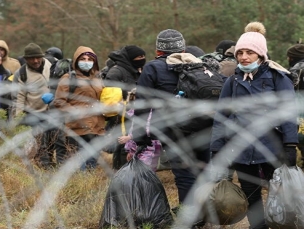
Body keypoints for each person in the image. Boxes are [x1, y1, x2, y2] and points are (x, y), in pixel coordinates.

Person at [210, 23, 298, 229]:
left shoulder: (279, 78)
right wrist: (216, 147)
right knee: (251, 195)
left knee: (281, 192)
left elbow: (288, 113)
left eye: (249, 52)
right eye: (240, 52)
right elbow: (221, 116)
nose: (243, 57)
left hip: (272, 147)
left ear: (260, 54)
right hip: (241, 150)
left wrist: (290, 144)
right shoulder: (232, 82)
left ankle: (284, 224)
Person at [132, 29, 210, 227]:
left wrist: (140, 136)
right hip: (205, 129)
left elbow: (142, 105)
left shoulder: (153, 69)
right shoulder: (200, 64)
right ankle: (207, 215)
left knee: (185, 176)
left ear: (158, 50)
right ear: (183, 47)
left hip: (174, 133)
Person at [53, 46, 105, 170]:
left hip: (96, 126)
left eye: (90, 59)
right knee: (80, 162)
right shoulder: (69, 78)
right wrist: (75, 112)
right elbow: (59, 100)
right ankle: (80, 186)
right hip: (77, 127)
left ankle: (87, 186)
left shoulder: (98, 79)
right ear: (76, 60)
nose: (86, 62)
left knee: (92, 160)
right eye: (83, 59)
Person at [13, 43, 59, 168]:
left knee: (54, 139)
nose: (35, 61)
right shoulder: (21, 73)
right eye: (31, 58)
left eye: (38, 57)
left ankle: (51, 161)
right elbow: (18, 98)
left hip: (53, 111)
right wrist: (18, 119)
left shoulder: (51, 66)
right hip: (34, 113)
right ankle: (44, 166)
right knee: (41, 141)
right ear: (26, 59)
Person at [104, 45, 146, 169]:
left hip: (136, 116)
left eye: (143, 56)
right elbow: (110, 98)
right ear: (131, 58)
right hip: (121, 118)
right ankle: (120, 174)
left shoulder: (138, 70)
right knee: (122, 148)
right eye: (139, 57)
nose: (142, 59)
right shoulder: (116, 72)